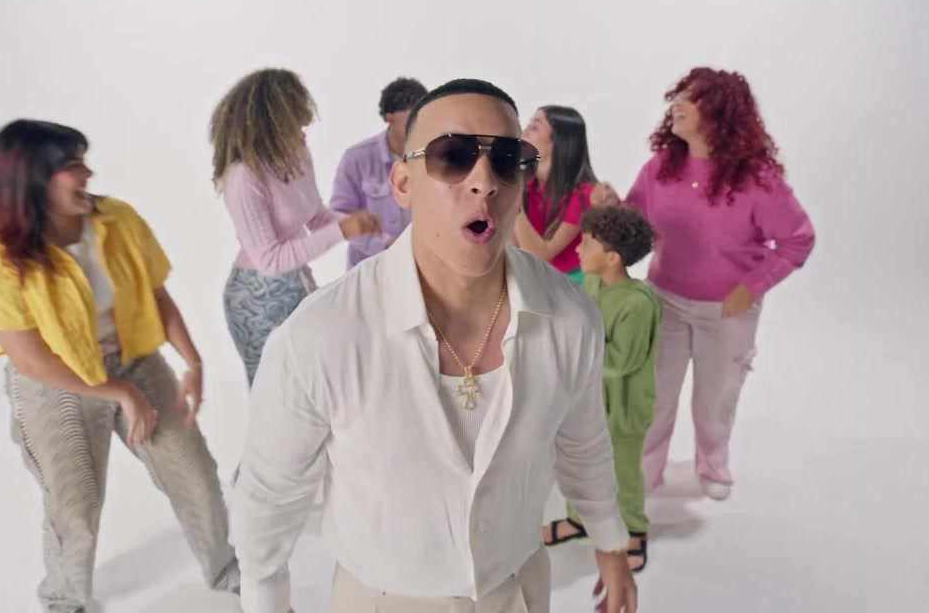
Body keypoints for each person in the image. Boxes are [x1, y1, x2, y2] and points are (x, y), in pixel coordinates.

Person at [230, 79, 639, 613]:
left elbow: (584, 442)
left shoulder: (570, 317)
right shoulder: (321, 334)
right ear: (403, 183)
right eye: (452, 156)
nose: (484, 182)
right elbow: (269, 494)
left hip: (519, 589)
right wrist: (264, 600)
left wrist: (610, 541)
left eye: (506, 159)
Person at [0, 120, 240, 613]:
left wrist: (192, 361)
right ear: (32, 180)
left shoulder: (117, 219)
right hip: (55, 382)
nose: (88, 173)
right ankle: (65, 599)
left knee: (195, 474)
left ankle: (226, 570)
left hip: (134, 361)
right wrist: (119, 393)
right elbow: (29, 359)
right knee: (76, 503)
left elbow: (156, 294)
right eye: (73, 166)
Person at [590, 67, 816, 500]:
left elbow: (798, 239)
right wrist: (613, 205)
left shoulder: (759, 181)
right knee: (653, 394)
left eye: (691, 99)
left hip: (727, 311)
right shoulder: (661, 168)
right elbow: (635, 223)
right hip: (665, 302)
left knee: (716, 399)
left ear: (720, 113)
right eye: (678, 96)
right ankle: (643, 471)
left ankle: (713, 465)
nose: (677, 104)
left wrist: (751, 287)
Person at [211, 68, 381, 387]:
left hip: (298, 285)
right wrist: (343, 230)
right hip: (256, 302)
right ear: (273, 121)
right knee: (276, 393)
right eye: (298, 121)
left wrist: (371, 234)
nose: (306, 127)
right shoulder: (243, 178)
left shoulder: (297, 154)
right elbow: (270, 260)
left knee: (323, 377)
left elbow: (314, 215)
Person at [543, 206, 660, 575]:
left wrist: (572, 349)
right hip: (586, 401)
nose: (578, 249)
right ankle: (579, 520)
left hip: (622, 409)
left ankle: (635, 531)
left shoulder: (638, 304)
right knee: (578, 463)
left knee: (621, 473)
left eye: (587, 244)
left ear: (612, 258)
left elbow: (621, 362)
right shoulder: (591, 283)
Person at [329, 76, 427, 268]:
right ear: (389, 118)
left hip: (424, 268)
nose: (420, 125)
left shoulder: (436, 155)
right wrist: (386, 245)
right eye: (412, 117)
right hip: (369, 269)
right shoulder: (357, 158)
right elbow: (341, 217)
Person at [510, 105, 598, 285]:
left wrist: (513, 200)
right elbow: (513, 247)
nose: (525, 131)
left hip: (573, 286)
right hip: (536, 279)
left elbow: (542, 254)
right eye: (528, 124)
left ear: (558, 141)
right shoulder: (527, 185)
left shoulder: (584, 195)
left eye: (535, 127)